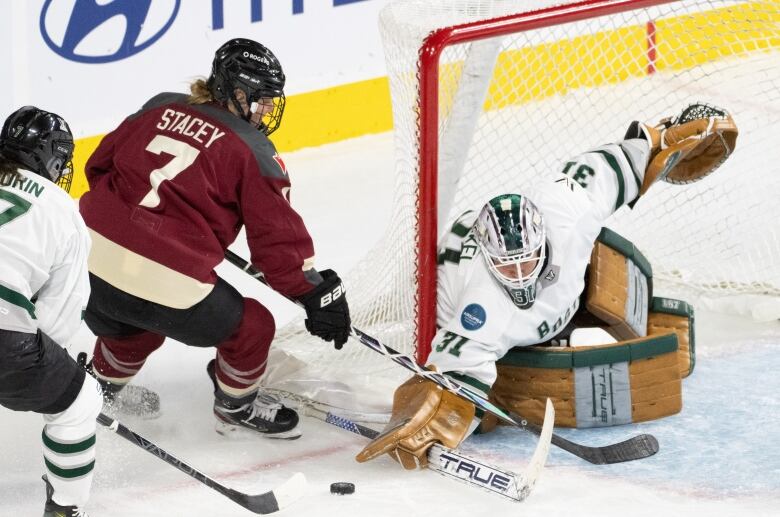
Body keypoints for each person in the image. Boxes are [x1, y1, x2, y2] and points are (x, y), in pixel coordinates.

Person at [356, 103, 738, 469]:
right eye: (506, 266)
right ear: (489, 259)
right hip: (506, 336)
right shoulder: (481, 309)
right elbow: (454, 376)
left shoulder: (565, 210)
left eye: (526, 260)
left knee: (611, 268)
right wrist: (435, 420)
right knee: (517, 398)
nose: (520, 275)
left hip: (558, 303)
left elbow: (607, 168)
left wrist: (656, 147)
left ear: (542, 239)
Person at [77, 38, 351, 439]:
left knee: (131, 318)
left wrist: (131, 220)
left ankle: (100, 387)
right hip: (161, 282)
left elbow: (98, 166)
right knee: (253, 327)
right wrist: (314, 292)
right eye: (259, 101)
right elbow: (277, 246)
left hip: (83, 265)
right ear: (235, 92)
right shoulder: (254, 151)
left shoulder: (159, 105)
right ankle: (236, 408)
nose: (265, 112)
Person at [0, 106, 101, 516]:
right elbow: (58, 319)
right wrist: (62, 372)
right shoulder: (62, 212)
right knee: (79, 403)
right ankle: (65, 508)